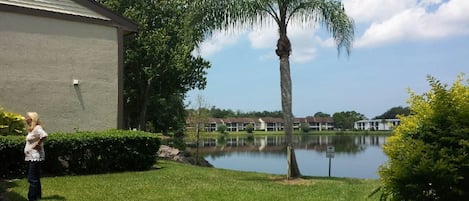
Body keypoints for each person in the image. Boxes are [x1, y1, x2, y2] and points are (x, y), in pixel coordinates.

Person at [24, 112, 48, 201]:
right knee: (36, 177)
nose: (25, 119)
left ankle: (32, 198)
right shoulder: (32, 129)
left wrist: (38, 144)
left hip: (35, 156)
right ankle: (38, 195)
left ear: (32, 119)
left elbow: (44, 135)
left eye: (27, 117)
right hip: (31, 156)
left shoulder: (37, 128)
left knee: (32, 178)